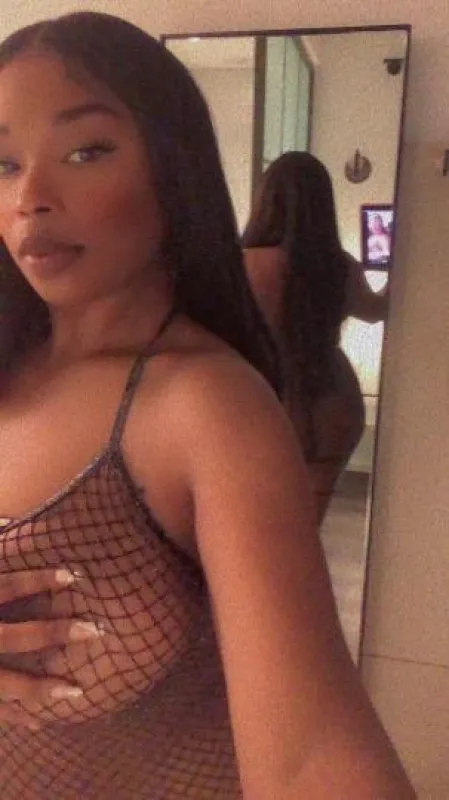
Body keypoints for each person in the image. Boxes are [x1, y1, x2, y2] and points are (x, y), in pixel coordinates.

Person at [0, 12, 415, 799]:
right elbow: (372, 309)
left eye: (86, 151)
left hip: (286, 410)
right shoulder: (13, 363)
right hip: (328, 392)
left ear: (174, 167)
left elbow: (311, 759)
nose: (32, 198)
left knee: (282, 588)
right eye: (3, 163)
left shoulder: (201, 406)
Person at [242, 151, 390, 523]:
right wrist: (401, 262)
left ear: (266, 200)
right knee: (309, 525)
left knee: (259, 522)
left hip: (266, 393)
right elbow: (376, 311)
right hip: (332, 395)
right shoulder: (339, 266)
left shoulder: (243, 264)